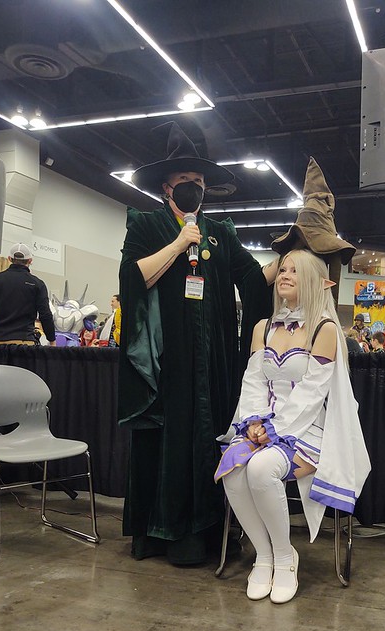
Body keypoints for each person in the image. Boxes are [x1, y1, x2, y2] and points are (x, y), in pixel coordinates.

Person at [117, 123, 277, 566]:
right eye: (185, 180)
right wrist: (178, 243)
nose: (194, 188)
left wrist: (290, 259)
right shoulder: (147, 224)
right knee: (167, 440)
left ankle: (206, 533)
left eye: (200, 181)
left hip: (212, 362)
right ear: (167, 187)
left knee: (209, 438)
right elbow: (132, 278)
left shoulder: (220, 232)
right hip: (166, 361)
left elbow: (252, 279)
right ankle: (162, 532)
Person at [214, 159, 370, 604]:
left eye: (294, 271)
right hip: (262, 425)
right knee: (233, 470)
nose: (283, 275)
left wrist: (275, 430)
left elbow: (311, 394)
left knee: (261, 468)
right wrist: (251, 424)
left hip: (308, 430)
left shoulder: (325, 330)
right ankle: (264, 556)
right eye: (281, 269)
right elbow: (252, 384)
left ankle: (286, 557)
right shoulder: (262, 327)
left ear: (314, 282)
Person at [0, 243, 56, 346]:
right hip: (24, 343)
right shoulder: (37, 284)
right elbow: (45, 315)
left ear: (10, 259)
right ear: (30, 261)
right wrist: (52, 340)